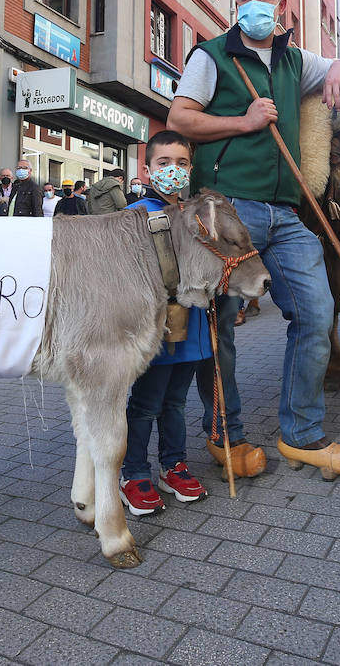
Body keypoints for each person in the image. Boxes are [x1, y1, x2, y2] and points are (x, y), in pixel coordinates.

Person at [168, 0, 340, 478]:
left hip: (285, 212)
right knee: (221, 328)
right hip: (225, 208)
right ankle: (224, 434)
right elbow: (179, 118)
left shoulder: (294, 60)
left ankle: (301, 433)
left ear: (281, 4)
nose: (252, 2)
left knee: (317, 313)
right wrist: (245, 120)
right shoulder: (212, 56)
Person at [118, 130, 211, 515]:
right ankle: (132, 472)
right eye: (164, 163)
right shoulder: (133, 216)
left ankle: (173, 465)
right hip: (154, 328)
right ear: (146, 169)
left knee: (175, 402)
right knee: (145, 404)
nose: (174, 170)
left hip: (194, 327)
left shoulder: (199, 213)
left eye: (182, 163)